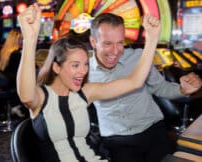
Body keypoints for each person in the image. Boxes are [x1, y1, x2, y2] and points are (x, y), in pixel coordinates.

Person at [17, 3, 161, 162]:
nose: (83, 71)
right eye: (75, 65)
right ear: (57, 67)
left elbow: (134, 82)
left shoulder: (86, 92)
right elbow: (25, 96)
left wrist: (152, 39)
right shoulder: (41, 96)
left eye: (86, 64)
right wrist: (29, 39)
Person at [88, 13, 202, 162]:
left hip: (153, 132)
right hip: (117, 141)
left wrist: (182, 90)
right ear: (93, 42)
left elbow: (160, 88)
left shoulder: (139, 57)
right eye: (107, 43)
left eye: (120, 43)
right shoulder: (83, 70)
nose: (115, 51)